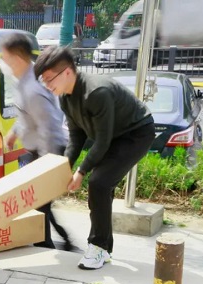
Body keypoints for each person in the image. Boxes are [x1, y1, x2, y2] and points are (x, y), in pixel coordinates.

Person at [34, 46, 155, 270]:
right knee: (102, 186)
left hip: (136, 133)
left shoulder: (96, 92)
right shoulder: (66, 98)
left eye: (49, 79)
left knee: (99, 183)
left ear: (67, 72)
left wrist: (81, 171)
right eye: (44, 81)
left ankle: (98, 246)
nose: (48, 86)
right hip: (114, 136)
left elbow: (102, 141)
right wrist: (64, 167)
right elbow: (76, 136)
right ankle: (104, 248)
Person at [0, 32, 73, 251]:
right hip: (37, 152)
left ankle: (51, 243)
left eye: (5, 57)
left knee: (39, 203)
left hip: (47, 151)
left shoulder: (33, 89)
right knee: (39, 203)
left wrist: (48, 165)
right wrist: (14, 133)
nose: (3, 62)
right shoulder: (22, 81)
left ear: (17, 59)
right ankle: (55, 242)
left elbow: (50, 128)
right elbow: (26, 116)